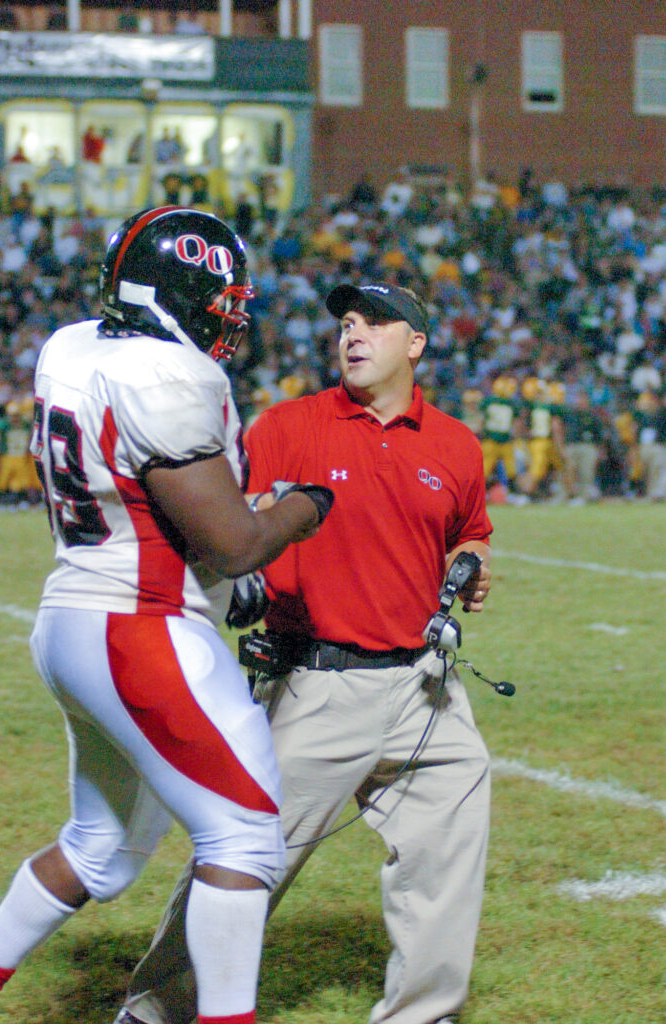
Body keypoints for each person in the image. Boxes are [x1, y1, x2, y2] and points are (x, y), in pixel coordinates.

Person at [113, 282, 494, 1024]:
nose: (354, 334)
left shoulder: (455, 443)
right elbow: (224, 527)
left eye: (375, 323)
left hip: (425, 688)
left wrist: (470, 565)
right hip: (315, 681)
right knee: (246, 863)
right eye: (347, 323)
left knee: (448, 859)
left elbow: (470, 531)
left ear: (415, 344)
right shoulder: (287, 426)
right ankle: (156, 1007)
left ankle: (423, 1013)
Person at [0, 207, 333, 1024]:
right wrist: (304, 506)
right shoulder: (167, 376)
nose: (234, 313)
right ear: (176, 293)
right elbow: (236, 541)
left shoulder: (72, 345)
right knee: (246, 837)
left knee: (98, 850)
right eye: (222, 298)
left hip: (75, 616)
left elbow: (153, 505)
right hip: (138, 628)